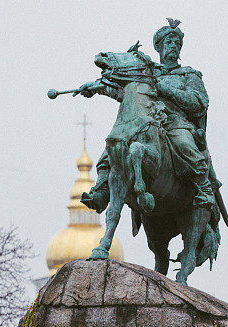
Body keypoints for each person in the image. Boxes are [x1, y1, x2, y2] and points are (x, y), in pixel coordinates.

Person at [79, 19, 216, 212]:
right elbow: (124, 91)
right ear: (159, 48)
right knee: (112, 148)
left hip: (176, 122)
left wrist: (166, 90)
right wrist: (96, 88)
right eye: (168, 43)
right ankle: (101, 192)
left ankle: (205, 189)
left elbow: (199, 103)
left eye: (176, 43)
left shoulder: (189, 75)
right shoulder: (148, 72)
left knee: (185, 143)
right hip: (147, 120)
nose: (173, 46)